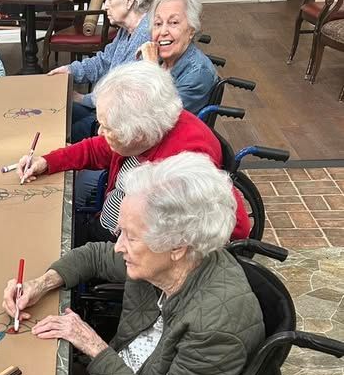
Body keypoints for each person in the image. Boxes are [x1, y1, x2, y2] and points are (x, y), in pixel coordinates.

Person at [3, 153, 265, 375]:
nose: (119, 246)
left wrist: (92, 344)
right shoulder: (170, 261)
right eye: (121, 232)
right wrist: (41, 283)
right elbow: (95, 255)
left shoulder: (216, 325)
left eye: (131, 237)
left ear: (176, 246)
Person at [18, 63, 251, 244]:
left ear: (138, 134)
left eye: (107, 128)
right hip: (109, 222)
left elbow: (235, 226)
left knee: (47, 239)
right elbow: (97, 148)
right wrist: (47, 162)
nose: (101, 131)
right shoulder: (151, 125)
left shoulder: (182, 165)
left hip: (124, 246)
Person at [48, 0, 156, 141]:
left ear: (129, 0)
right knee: (56, 115)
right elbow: (103, 61)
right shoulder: (126, 30)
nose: (105, 6)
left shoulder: (146, 37)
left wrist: (83, 98)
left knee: (59, 134)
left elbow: (122, 96)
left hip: (117, 124)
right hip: (103, 108)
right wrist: (71, 70)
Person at [137, 0, 218, 114]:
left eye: (173, 23)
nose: (163, 31)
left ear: (191, 31)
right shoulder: (158, 58)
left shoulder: (198, 73)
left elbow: (158, 116)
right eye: (158, 24)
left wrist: (151, 69)